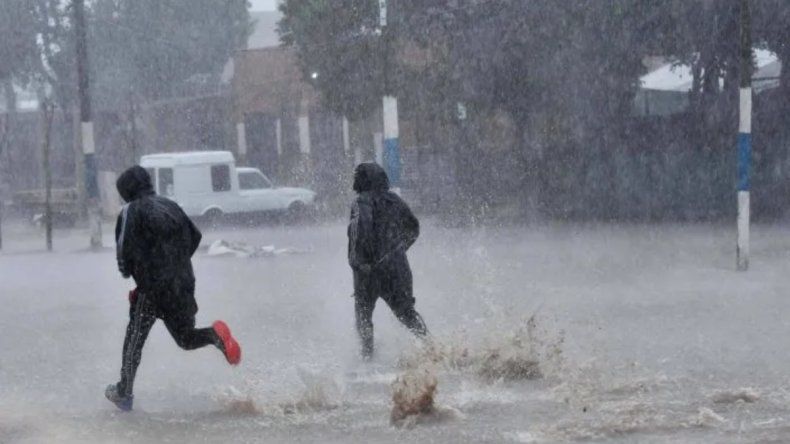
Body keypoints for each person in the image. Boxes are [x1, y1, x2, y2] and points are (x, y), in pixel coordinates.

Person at [105, 166, 241, 411]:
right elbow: (195, 237)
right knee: (185, 338)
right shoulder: (170, 205)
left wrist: (138, 275)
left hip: (152, 288)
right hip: (183, 284)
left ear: (126, 191)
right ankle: (215, 336)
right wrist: (174, 266)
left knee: (134, 338)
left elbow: (124, 255)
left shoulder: (130, 211)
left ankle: (124, 392)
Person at [348, 163, 428, 359]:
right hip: (397, 269)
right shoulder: (395, 200)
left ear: (361, 181)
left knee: (364, 316)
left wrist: (358, 263)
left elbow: (361, 231)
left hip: (368, 272)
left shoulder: (361, 202)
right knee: (407, 314)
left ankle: (367, 358)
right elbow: (413, 227)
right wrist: (397, 251)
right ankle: (433, 349)